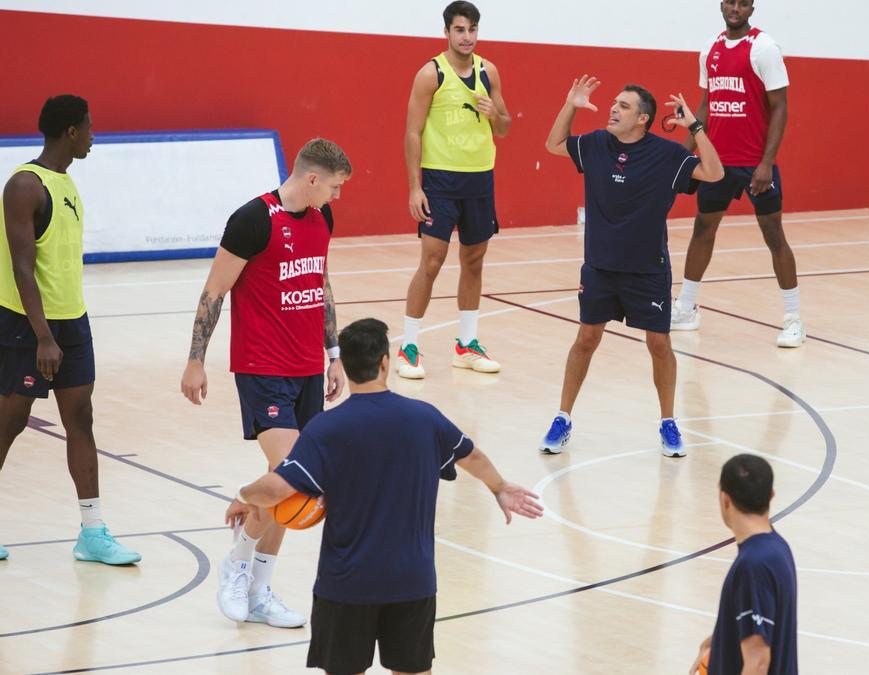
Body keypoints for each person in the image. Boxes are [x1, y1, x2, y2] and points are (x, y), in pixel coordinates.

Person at [224, 317, 543, 675]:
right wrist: (499, 488)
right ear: (385, 363)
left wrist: (242, 495)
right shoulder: (425, 418)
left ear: (343, 364)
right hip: (412, 580)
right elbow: (473, 457)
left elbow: (277, 488)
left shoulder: (325, 429)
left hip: (345, 584)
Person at [180, 138, 351, 627]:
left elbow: (320, 284)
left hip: (307, 370)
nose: (337, 198)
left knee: (296, 487)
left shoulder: (323, 219)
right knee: (294, 476)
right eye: (335, 188)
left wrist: (333, 353)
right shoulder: (253, 219)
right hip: (262, 368)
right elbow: (214, 290)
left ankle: (258, 589)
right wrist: (196, 360)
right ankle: (236, 565)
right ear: (313, 178)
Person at [539, 76, 724, 457]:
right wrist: (571, 104)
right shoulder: (594, 145)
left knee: (659, 343)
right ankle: (562, 417)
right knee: (586, 339)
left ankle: (669, 423)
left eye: (623, 106)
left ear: (643, 119)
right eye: (614, 103)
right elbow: (553, 144)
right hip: (601, 267)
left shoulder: (667, 155)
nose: (613, 108)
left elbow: (715, 173)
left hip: (647, 269)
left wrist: (695, 126)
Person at [0, 95, 139, 565]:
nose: (94, 134)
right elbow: (23, 268)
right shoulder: (24, 184)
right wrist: (42, 335)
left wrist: (62, 328)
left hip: (72, 321)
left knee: (81, 420)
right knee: (9, 422)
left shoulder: (67, 183)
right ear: (71, 132)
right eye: (90, 127)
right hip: (26, 326)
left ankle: (93, 532)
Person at [671, 0, 803, 348]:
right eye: (731, 2)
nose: (736, 9)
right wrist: (683, 151)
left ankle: (793, 319)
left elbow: (781, 108)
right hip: (717, 161)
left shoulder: (764, 48)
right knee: (702, 229)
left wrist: (766, 162)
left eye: (743, 4)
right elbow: (706, 105)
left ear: (751, 9)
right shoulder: (709, 49)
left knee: (774, 235)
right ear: (722, 5)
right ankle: (687, 308)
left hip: (754, 163)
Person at [398, 0, 512, 379]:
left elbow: (505, 127)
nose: (467, 36)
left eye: (473, 29)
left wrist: (494, 114)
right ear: (446, 32)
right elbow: (412, 132)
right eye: (460, 29)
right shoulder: (430, 74)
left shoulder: (489, 71)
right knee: (431, 262)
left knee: (474, 261)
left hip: (480, 178)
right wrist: (415, 187)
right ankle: (409, 346)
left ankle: (467, 343)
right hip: (440, 179)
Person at [690, 454, 796, 675]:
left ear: (724, 499)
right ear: (771, 496)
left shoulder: (753, 566)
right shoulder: (778, 549)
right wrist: (717, 644)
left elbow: (757, 662)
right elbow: (764, 631)